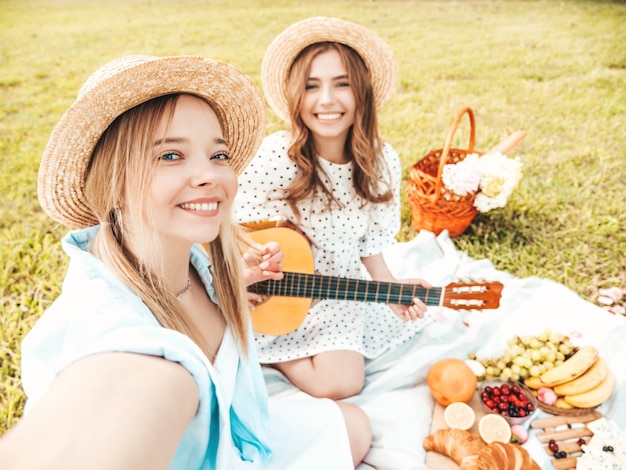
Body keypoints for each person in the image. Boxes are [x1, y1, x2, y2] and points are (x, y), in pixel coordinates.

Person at [0, 55, 364, 469]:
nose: (209, 175)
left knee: (355, 426)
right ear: (114, 181)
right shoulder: (114, 333)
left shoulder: (191, 259)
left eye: (218, 155)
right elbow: (102, 414)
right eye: (170, 155)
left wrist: (229, 294)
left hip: (236, 439)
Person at [235, 17, 432, 402]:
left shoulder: (380, 162)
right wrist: (239, 276)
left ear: (362, 94)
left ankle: (276, 353)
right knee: (335, 382)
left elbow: (371, 242)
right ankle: (273, 351)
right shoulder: (277, 156)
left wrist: (389, 288)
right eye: (311, 86)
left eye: (341, 84)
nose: (326, 100)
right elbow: (225, 223)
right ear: (296, 96)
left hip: (336, 290)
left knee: (342, 383)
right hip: (271, 290)